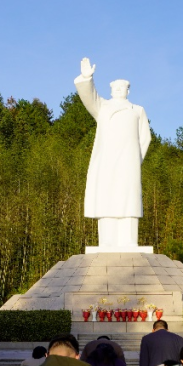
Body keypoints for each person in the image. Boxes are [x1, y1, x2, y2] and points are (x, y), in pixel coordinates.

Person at [74, 58, 152, 249]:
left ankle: (129, 240)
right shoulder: (102, 107)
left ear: (128, 91)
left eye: (122, 87)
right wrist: (87, 78)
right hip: (107, 161)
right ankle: (107, 239)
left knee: (129, 199)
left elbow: (145, 138)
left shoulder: (137, 110)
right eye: (115, 87)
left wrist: (135, 160)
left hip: (129, 161)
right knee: (107, 197)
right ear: (110, 90)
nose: (118, 89)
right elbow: (89, 97)